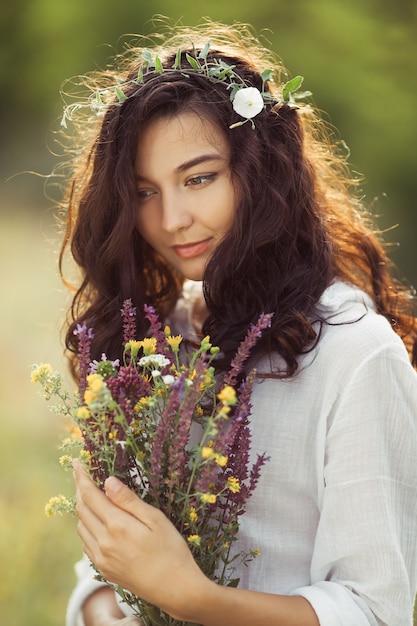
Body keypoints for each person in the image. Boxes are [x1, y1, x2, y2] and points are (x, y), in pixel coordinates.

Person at [57, 19, 417, 626]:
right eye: (144, 192)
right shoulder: (160, 339)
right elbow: (107, 568)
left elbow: (373, 611)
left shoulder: (357, 354)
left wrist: (191, 599)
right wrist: (103, 606)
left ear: (262, 173)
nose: (172, 219)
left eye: (199, 178)